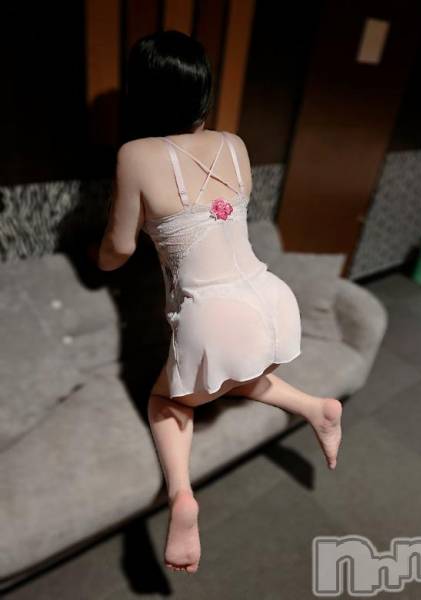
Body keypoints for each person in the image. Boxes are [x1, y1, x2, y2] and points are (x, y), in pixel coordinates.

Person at [97, 29, 342, 574]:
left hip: (213, 315)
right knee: (231, 373)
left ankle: (181, 496)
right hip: (272, 299)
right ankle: (316, 408)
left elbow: (118, 250)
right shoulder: (236, 144)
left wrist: (102, 256)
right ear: (203, 89)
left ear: (144, 95)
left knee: (167, 402)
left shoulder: (135, 155)